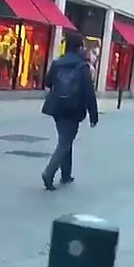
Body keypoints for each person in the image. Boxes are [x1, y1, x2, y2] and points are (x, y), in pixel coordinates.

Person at [40, 31, 99, 191]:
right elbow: (89, 92)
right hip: (73, 108)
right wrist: (94, 114)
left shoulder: (58, 62)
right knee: (65, 141)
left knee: (65, 138)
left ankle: (66, 174)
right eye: (83, 46)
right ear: (79, 47)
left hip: (56, 106)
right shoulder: (82, 66)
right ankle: (49, 172)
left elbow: (47, 82)